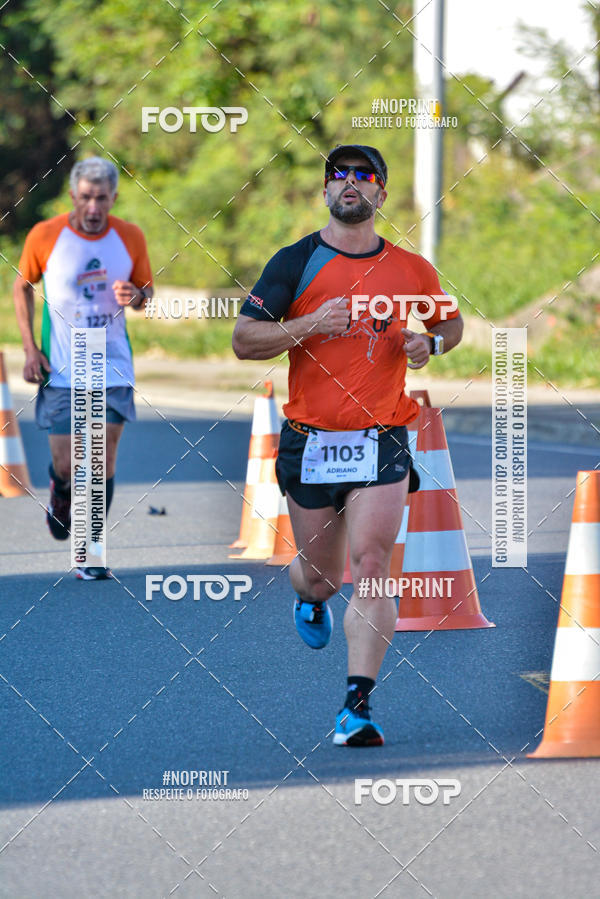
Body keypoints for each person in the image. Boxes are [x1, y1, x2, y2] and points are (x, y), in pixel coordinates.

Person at [232, 144, 463, 746]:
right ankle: (307, 598)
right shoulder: (296, 262)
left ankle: (355, 707)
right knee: (322, 580)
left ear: (382, 194)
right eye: (340, 175)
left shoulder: (411, 268)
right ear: (326, 191)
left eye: (365, 176)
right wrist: (310, 324)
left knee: (372, 567)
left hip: (383, 436)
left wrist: (429, 345)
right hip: (310, 440)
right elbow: (244, 340)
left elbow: (450, 322)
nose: (351, 183)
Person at [13, 156, 154, 580]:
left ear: (113, 197)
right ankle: (60, 490)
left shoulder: (129, 237)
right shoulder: (46, 235)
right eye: (86, 198)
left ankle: (89, 549)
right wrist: (29, 349)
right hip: (61, 367)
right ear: (74, 196)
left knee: (101, 456)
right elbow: (22, 285)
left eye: (102, 199)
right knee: (67, 462)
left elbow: (147, 292)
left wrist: (136, 296)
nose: (94, 208)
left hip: (111, 365)